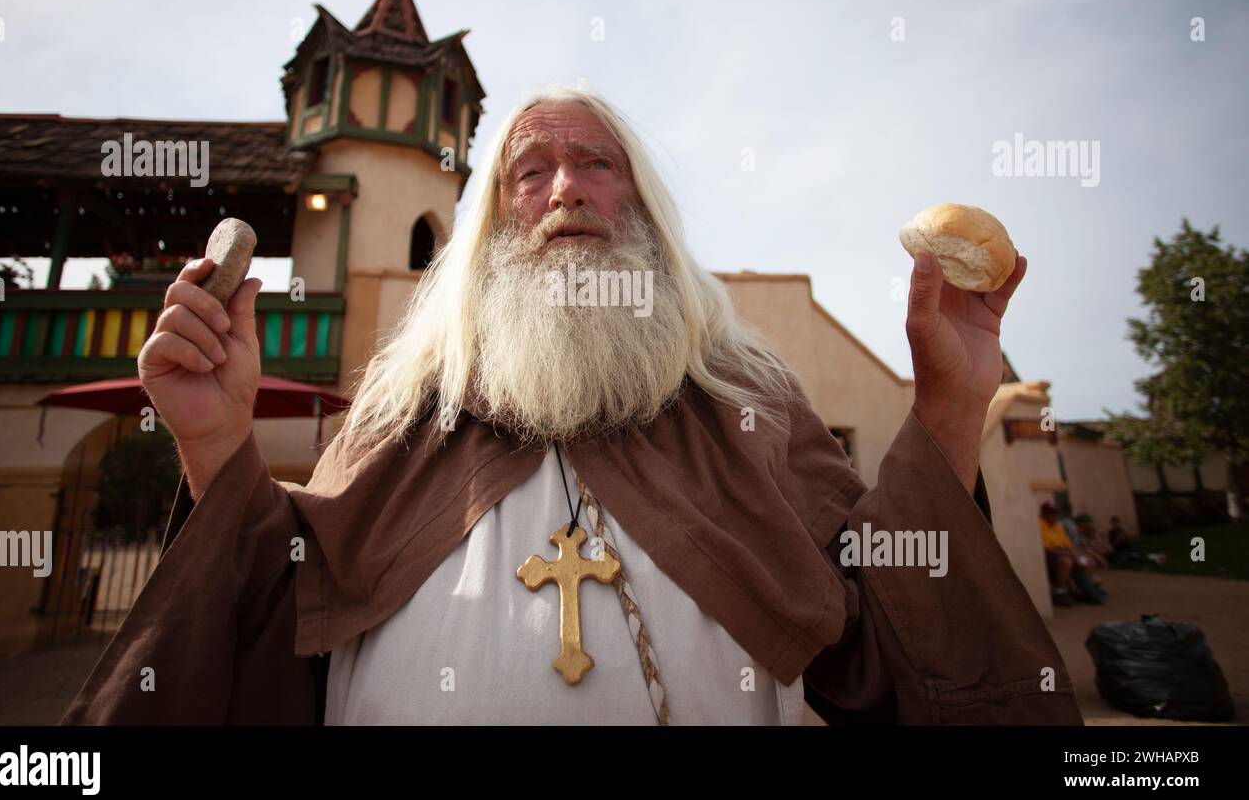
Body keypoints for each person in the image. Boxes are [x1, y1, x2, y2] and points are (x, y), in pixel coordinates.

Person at [63, 86, 1082, 725]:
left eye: (599, 163)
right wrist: (213, 446)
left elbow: (878, 634)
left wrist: (948, 407)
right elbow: (275, 617)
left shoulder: (747, 395)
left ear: (641, 207)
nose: (567, 191)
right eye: (531, 169)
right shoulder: (403, 402)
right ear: (490, 226)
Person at [1040, 503, 1103, 606]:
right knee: (1066, 562)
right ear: (1044, 513)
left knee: (1088, 561)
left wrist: (1077, 555)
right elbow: (1047, 549)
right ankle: (1060, 591)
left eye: (1056, 513)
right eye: (1051, 513)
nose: (1054, 516)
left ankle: (1079, 589)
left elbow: (1068, 545)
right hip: (1052, 554)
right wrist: (1070, 554)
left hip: (1065, 552)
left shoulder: (1057, 526)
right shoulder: (1041, 525)